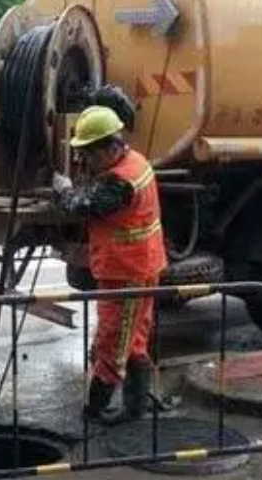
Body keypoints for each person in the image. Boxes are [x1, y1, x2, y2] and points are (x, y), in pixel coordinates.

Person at [51, 105, 167, 425]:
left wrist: (63, 190)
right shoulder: (135, 161)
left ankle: (96, 410)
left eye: (89, 154)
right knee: (135, 339)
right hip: (137, 267)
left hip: (127, 272)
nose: (86, 161)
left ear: (109, 147)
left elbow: (82, 204)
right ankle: (135, 409)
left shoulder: (121, 182)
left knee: (113, 341)